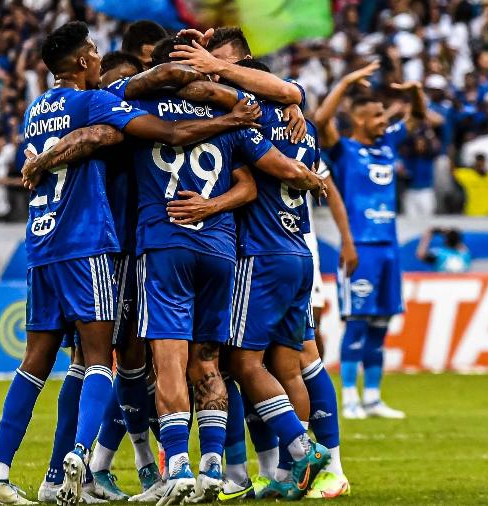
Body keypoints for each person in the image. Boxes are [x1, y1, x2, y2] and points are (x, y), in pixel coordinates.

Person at [0, 21, 261, 506]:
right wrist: (229, 116)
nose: (97, 55)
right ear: (86, 62)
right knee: (98, 357)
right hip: (89, 244)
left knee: (38, 362)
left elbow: (114, 109)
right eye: (93, 51)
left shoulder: (34, 110)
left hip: (41, 245)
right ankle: (80, 462)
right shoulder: (95, 102)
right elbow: (170, 130)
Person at [173, 29, 354, 500]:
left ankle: (303, 454)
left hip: (263, 255)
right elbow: (292, 101)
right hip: (299, 253)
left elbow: (267, 168)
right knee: (288, 366)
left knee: (240, 361)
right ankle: (294, 472)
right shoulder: (302, 125)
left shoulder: (246, 123)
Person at [314, 59, 426, 421]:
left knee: (381, 324)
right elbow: (320, 121)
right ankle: (349, 397)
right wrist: (345, 81)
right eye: (378, 115)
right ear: (360, 119)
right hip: (359, 246)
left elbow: (417, 119)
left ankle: (374, 397)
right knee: (357, 322)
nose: (385, 121)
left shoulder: (386, 145)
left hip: (389, 248)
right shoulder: (344, 149)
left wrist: (416, 96)